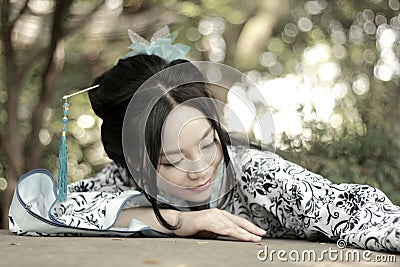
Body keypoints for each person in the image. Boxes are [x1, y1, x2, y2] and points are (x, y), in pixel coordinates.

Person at [9, 28, 399, 253]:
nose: (199, 168)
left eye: (209, 144)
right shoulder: (122, 182)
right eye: (171, 161)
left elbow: (361, 213)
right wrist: (177, 221)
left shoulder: (257, 175)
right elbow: (33, 214)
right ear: (133, 165)